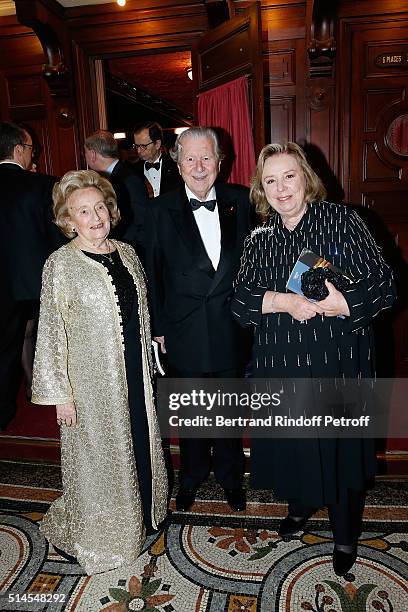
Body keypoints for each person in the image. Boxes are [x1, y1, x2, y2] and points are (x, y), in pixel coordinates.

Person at [232, 142, 396, 575]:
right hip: (281, 364)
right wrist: (281, 302)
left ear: (306, 177)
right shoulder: (259, 236)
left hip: (337, 361)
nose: (281, 188)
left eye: (289, 176)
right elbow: (239, 301)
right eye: (270, 180)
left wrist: (344, 304)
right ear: (261, 190)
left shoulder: (343, 221)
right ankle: (302, 504)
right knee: (295, 444)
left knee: (339, 448)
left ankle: (345, 533)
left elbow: (386, 286)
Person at [31, 170, 168, 575]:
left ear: (111, 210)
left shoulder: (127, 252)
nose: (95, 217)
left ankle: (144, 514)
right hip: (90, 384)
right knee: (99, 460)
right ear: (68, 220)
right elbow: (50, 332)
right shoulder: (60, 264)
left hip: (134, 372)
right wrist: (60, 394)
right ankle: (105, 533)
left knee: (140, 444)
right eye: (83, 211)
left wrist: (151, 342)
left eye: (100, 208)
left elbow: (138, 310)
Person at [145, 126, 250, 513]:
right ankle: (191, 476)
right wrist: (157, 328)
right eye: (189, 158)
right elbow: (152, 274)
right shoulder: (158, 210)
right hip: (182, 328)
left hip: (230, 325)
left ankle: (229, 476)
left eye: (207, 157)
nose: (199, 166)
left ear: (220, 162)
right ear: (177, 162)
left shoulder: (244, 202)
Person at [0, 121, 61, 430]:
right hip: (37, 281)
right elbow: (58, 236)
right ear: (19, 150)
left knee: (5, 347)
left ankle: (3, 411)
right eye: (31, 149)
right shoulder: (43, 185)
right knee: (47, 338)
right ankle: (46, 389)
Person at [84, 129, 148, 256]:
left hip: (130, 251)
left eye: (85, 153)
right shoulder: (113, 176)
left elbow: (142, 221)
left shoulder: (129, 178)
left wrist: (123, 250)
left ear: (92, 154)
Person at [133, 121, 183, 197]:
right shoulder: (132, 170)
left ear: (157, 144)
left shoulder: (176, 167)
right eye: (137, 146)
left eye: (143, 146)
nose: (139, 151)